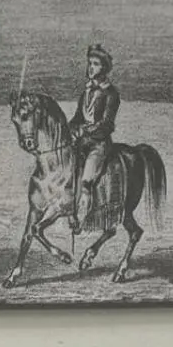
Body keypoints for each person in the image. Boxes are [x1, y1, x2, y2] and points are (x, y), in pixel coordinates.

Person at [69, 42, 120, 231]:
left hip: (99, 145)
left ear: (104, 68)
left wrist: (86, 131)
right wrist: (72, 129)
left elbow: (107, 124)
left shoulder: (110, 93)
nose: (91, 67)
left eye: (96, 64)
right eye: (89, 63)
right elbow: (77, 118)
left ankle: (82, 220)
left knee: (86, 181)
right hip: (81, 143)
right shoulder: (86, 92)